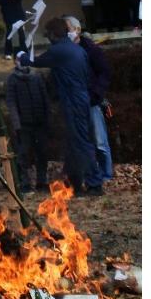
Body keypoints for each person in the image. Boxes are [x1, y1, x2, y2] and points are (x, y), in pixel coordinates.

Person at [26, 17, 104, 196]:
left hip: (73, 100)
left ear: (54, 34)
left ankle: (94, 183)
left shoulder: (59, 50)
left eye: (48, 35)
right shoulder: (77, 50)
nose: (48, 39)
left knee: (81, 142)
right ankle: (74, 181)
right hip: (81, 98)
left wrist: (22, 56)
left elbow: (35, 62)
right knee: (74, 142)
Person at [4, 50, 53, 190]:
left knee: (42, 153)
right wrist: (16, 124)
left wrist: (48, 119)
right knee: (23, 154)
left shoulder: (36, 77)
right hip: (23, 125)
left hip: (39, 122)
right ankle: (24, 182)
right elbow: (11, 102)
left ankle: (41, 181)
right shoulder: (12, 79)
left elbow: (45, 99)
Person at [76, 26, 116, 186]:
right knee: (88, 142)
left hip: (93, 101)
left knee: (100, 141)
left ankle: (106, 173)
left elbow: (104, 73)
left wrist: (97, 94)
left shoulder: (92, 51)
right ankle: (94, 173)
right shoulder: (74, 52)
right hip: (79, 102)